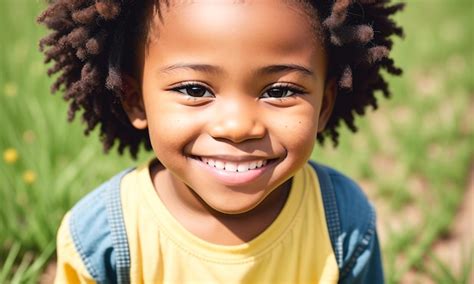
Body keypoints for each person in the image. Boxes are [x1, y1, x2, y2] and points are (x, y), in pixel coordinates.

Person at [38, 0, 404, 283]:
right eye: (195, 89)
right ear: (136, 100)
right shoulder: (100, 241)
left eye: (279, 91)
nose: (237, 126)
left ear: (323, 106)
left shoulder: (344, 223)